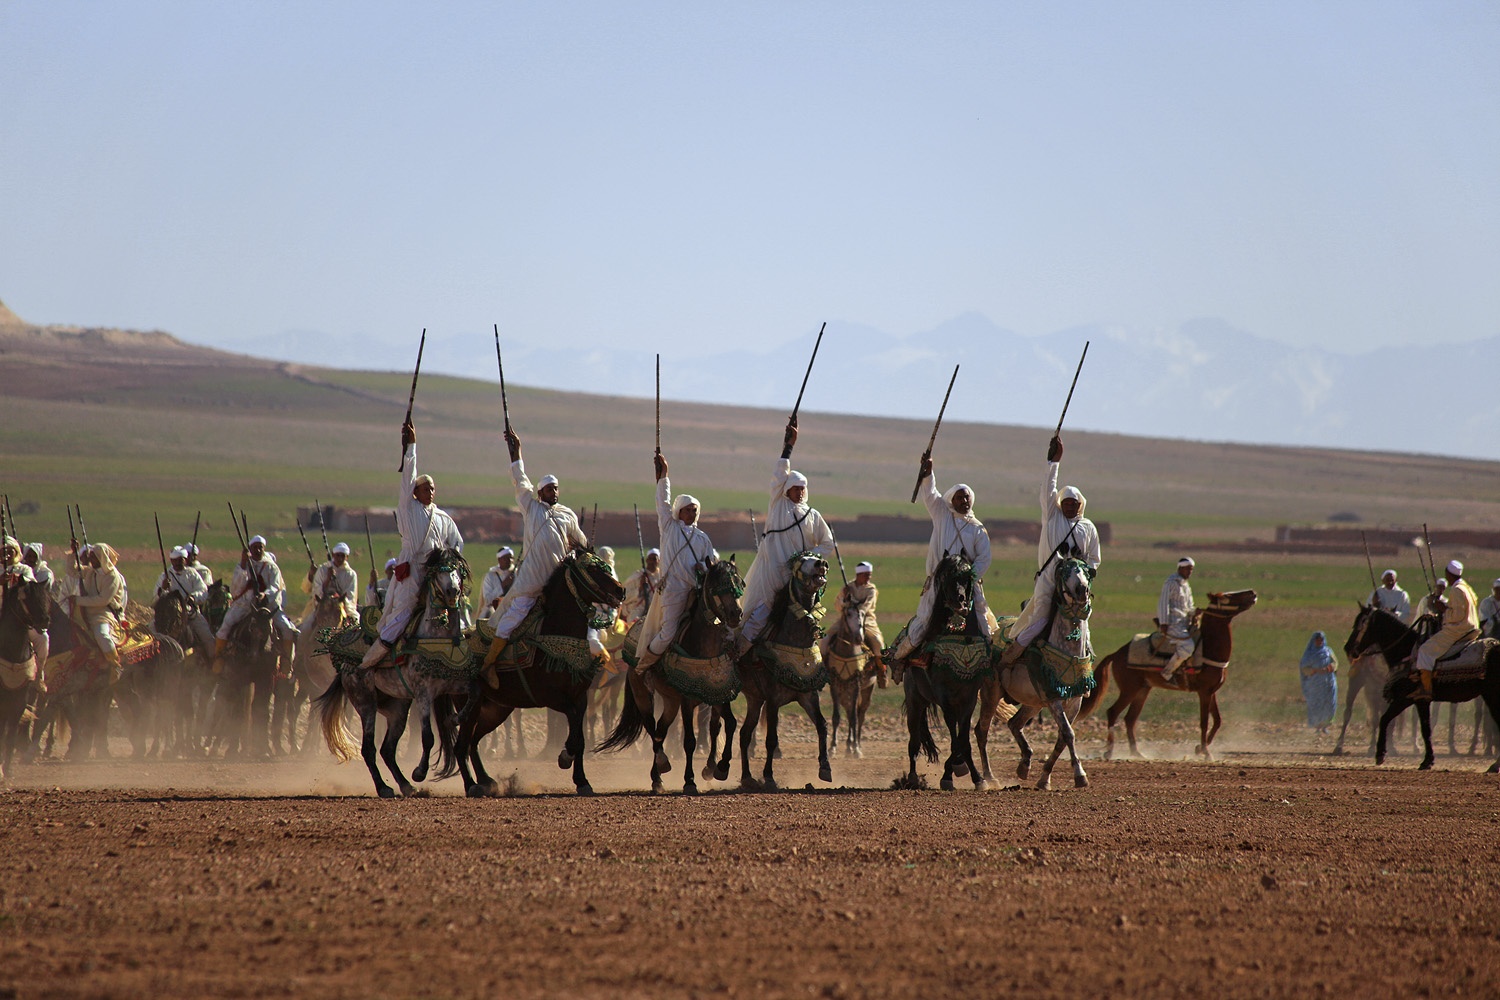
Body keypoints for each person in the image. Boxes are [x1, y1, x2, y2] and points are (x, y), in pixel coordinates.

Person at [360, 418, 464, 667]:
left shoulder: (442, 517)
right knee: (403, 613)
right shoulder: (408, 508)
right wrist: (411, 446)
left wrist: (449, 563)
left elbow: (457, 543)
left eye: (433, 488)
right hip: (412, 568)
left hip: (436, 572)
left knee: (454, 605)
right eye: (425, 488)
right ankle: (370, 662)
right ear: (415, 492)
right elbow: (408, 475)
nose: (430, 492)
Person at [486, 426, 589, 662]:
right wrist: (516, 453)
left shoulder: (567, 515)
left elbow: (582, 544)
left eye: (556, 487)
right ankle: (489, 664)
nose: (553, 491)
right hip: (532, 579)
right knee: (511, 620)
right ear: (540, 493)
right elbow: (520, 482)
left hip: (558, 579)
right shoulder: (531, 508)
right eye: (548, 488)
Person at [1002, 434, 1101, 662]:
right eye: (1065, 502)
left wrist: (1085, 573)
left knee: (1083, 623)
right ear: (1059, 504)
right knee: (1040, 621)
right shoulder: (1052, 517)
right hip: (1049, 579)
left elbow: (1094, 559)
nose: (1068, 506)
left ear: (1080, 505)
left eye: (1073, 504)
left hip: (1076, 585)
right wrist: (1053, 462)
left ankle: (1083, 668)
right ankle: (1010, 659)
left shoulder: (1088, 527)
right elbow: (1048, 488)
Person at [739, 417, 835, 650]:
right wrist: (788, 446)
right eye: (795, 488)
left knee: (809, 613)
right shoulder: (778, 505)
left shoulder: (813, 514)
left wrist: (807, 558)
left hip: (801, 576)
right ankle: (738, 652)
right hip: (774, 570)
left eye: (802, 488)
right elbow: (780, 473)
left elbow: (827, 544)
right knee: (764, 610)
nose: (800, 492)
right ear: (787, 489)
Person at [890, 454, 993, 663]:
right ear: (951, 500)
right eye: (959, 497)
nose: (963, 501)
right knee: (925, 621)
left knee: (985, 624)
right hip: (939, 583)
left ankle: (992, 667)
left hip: (968, 585)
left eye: (966, 497)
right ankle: (900, 658)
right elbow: (930, 493)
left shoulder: (978, 528)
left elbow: (984, 558)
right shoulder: (942, 515)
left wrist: (969, 577)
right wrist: (928, 473)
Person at [635, 450, 718, 673]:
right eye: (687, 510)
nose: (691, 513)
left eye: (694, 510)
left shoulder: (703, 538)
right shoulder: (669, 528)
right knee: (667, 634)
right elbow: (662, 501)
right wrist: (664, 476)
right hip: (673, 590)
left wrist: (704, 568)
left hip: (697, 591)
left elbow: (711, 564)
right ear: (678, 512)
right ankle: (644, 667)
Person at [215, 535, 299, 669]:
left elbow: (276, 586)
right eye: (254, 547)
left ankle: (286, 664)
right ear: (250, 549)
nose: (258, 550)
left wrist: (264, 595)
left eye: (260, 547)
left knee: (287, 629)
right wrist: (243, 564)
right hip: (245, 606)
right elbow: (236, 587)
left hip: (268, 607)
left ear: (264, 549)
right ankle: (218, 662)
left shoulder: (272, 567)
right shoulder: (243, 565)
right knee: (225, 627)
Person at [1412, 560, 1480, 701]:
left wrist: (1443, 609)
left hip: (1458, 630)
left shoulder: (1456, 590)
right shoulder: (1466, 587)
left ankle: (1426, 689)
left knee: (1425, 650)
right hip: (1470, 627)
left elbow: (1456, 616)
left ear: (1448, 574)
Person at [71, 540, 127, 676]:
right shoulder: (92, 572)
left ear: (102, 557)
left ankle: (115, 665)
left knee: (102, 635)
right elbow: (72, 570)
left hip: (104, 614)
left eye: (94, 557)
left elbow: (103, 600)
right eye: (91, 556)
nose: (90, 559)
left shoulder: (112, 576)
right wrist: (74, 553)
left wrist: (78, 600)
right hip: (84, 612)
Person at [827, 560, 887, 685]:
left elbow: (865, 607)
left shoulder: (871, 589)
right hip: (846, 618)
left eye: (869, 575)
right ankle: (823, 669)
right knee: (826, 638)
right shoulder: (847, 587)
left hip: (867, 620)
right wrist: (844, 598)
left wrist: (851, 600)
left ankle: (881, 671)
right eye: (866, 575)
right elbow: (838, 606)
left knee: (878, 642)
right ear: (859, 575)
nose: (868, 578)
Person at [156, 545, 215, 659]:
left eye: (180, 560)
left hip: (189, 613)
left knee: (208, 638)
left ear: (185, 560)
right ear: (171, 561)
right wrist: (163, 589)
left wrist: (193, 598)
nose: (178, 563)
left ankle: (213, 663)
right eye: (175, 560)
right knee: (150, 633)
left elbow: (203, 591)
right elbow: (155, 599)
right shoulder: (164, 576)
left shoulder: (192, 574)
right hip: (169, 616)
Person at [1158, 557, 1197, 682]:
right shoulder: (1171, 582)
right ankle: (1167, 673)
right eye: (1188, 569)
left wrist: (1197, 612)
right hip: (1173, 624)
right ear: (1180, 568)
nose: (1190, 572)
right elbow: (1163, 603)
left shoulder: (1186, 585)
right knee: (1188, 646)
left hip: (1185, 623)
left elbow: (1189, 607)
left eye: (1192, 570)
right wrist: (1163, 623)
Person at [301, 542, 358, 625]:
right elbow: (316, 593)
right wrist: (328, 579)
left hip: (342, 607)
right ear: (333, 555)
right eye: (338, 555)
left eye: (343, 556)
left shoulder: (351, 574)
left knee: (357, 625)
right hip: (322, 607)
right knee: (306, 627)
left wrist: (337, 599)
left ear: (347, 557)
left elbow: (350, 597)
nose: (340, 558)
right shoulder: (322, 570)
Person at [20, 542, 54, 668]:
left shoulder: (45, 574)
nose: (31, 559)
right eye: (28, 556)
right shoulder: (18, 569)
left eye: (34, 557)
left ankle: (40, 671)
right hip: (16, 614)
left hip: (36, 614)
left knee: (43, 638)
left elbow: (37, 593)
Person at [1299, 631, 1338, 734]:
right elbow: (1303, 667)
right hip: (1315, 683)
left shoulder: (1328, 651)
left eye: (1321, 640)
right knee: (1316, 704)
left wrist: (1330, 668)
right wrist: (1315, 671)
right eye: (1317, 640)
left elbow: (1335, 662)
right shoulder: (1309, 654)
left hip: (1328, 681)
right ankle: (1317, 726)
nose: (1319, 642)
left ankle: (1325, 726)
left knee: (1329, 703)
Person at [619, 549, 661, 624]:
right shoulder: (637, 576)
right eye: (650, 559)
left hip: (656, 611)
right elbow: (624, 596)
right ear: (647, 560)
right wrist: (640, 588)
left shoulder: (661, 577)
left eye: (654, 559)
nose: (652, 562)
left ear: (659, 561)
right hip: (637, 610)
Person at [480, 548, 516, 615]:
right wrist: (503, 585)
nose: (510, 560)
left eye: (511, 558)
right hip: (493, 611)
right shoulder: (490, 576)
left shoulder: (517, 574)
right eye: (506, 558)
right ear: (499, 560)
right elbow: (488, 600)